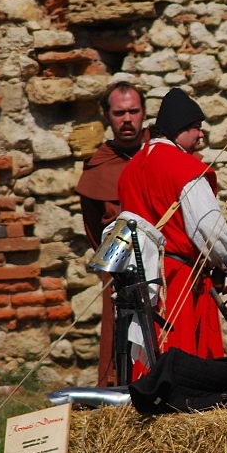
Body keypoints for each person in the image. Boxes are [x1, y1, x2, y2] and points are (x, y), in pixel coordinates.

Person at [118, 87, 227, 365]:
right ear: (178, 128)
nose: (201, 135)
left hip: (142, 281)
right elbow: (211, 232)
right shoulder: (184, 168)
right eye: (196, 127)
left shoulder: (131, 169)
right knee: (184, 362)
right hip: (178, 280)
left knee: (151, 357)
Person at [74, 81, 147, 386]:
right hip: (119, 266)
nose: (127, 119)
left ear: (144, 113)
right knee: (120, 337)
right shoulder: (99, 166)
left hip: (166, 264)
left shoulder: (161, 153)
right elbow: (94, 228)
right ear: (107, 116)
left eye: (133, 111)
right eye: (119, 113)